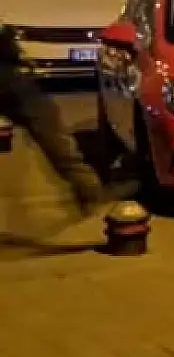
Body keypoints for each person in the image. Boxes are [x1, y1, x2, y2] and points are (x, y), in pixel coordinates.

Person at [0, 25, 108, 215]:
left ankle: (90, 195)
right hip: (11, 84)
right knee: (58, 143)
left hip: (12, 83)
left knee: (58, 144)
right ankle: (90, 194)